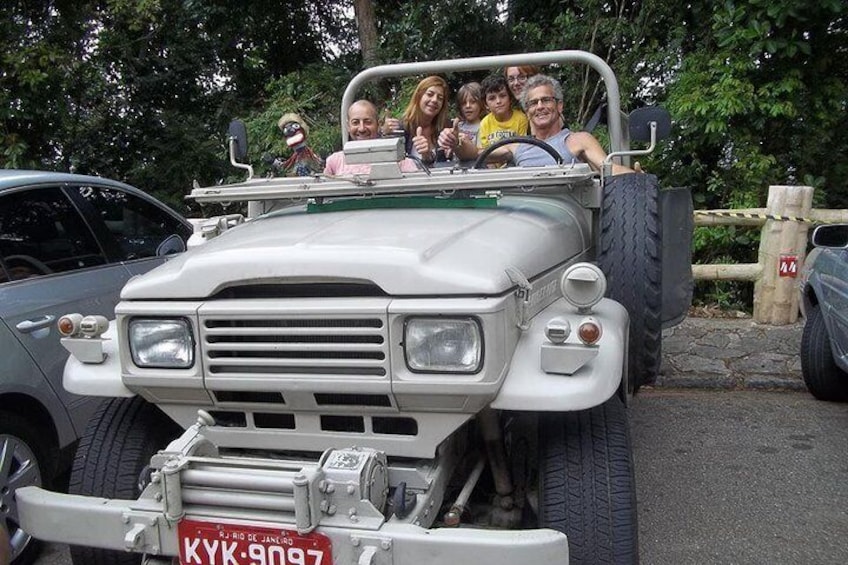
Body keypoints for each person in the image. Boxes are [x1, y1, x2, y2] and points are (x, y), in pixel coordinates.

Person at [441, 74, 635, 174]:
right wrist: (455, 142)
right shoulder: (517, 146)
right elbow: (475, 153)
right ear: (527, 111)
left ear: (559, 105)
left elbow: (608, 169)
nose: (540, 106)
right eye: (533, 103)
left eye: (546, 100)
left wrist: (634, 178)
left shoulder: (577, 140)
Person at [324, 100, 418, 175]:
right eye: (355, 122)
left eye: (368, 122)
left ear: (378, 125)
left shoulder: (400, 161)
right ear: (348, 126)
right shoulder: (335, 162)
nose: (361, 128)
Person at [382, 76, 450, 165]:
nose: (434, 100)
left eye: (440, 98)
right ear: (419, 96)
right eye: (430, 94)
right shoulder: (400, 127)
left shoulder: (445, 128)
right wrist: (384, 134)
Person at [476, 74, 529, 151]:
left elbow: (522, 148)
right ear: (486, 104)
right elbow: (484, 152)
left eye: (502, 96)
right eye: (492, 98)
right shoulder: (484, 123)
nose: (498, 101)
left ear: (510, 98)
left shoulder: (521, 118)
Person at [455, 82, 485, 147]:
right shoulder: (458, 126)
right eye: (463, 103)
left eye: (473, 102)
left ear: (481, 104)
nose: (468, 106)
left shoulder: (485, 127)